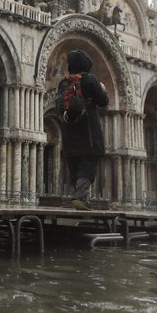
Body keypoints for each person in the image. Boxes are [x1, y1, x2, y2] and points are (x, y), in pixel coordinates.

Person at [59, 49, 109, 210]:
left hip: (69, 130)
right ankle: (79, 196)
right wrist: (102, 89)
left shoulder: (64, 83)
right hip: (88, 130)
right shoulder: (89, 80)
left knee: (75, 163)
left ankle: (83, 201)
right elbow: (103, 101)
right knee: (88, 165)